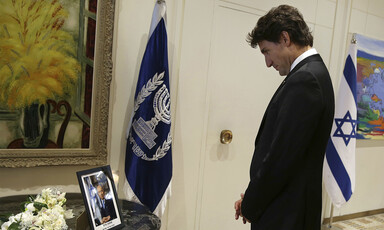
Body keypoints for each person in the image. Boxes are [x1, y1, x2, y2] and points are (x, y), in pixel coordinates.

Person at [234, 5, 335, 230]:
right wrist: (253, 197)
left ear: (285, 38)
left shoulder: (306, 80)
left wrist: (251, 204)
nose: (268, 62)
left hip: (286, 215)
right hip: (286, 208)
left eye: (266, 51)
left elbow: (279, 160)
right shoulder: (311, 73)